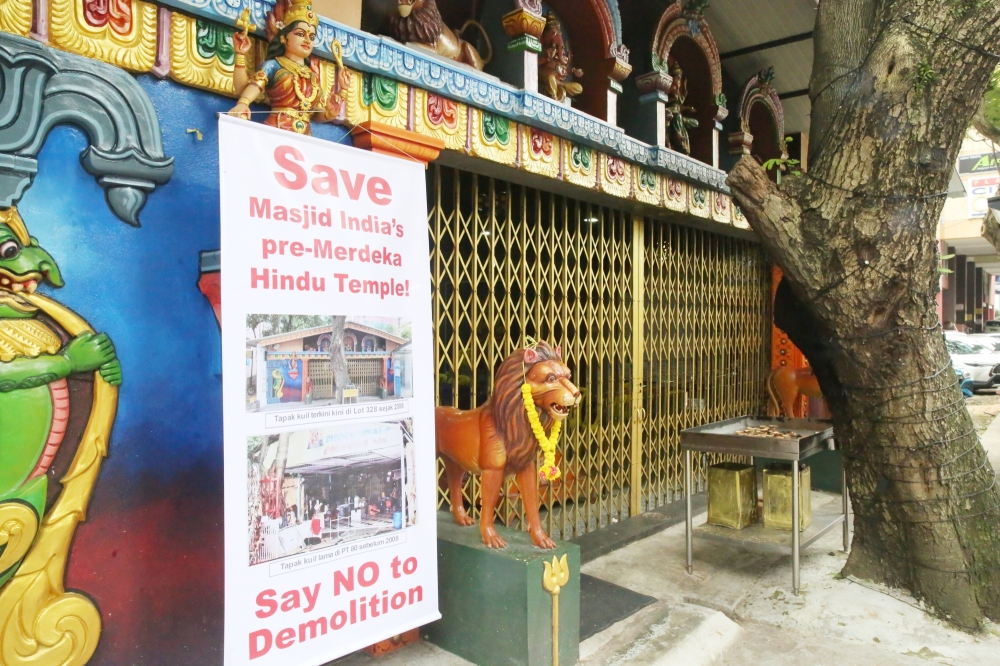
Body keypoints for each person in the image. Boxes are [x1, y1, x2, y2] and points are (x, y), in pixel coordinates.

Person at [228, 0, 349, 135]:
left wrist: (330, 112)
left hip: (305, 137)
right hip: (277, 129)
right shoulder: (275, 65)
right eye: (300, 34)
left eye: (312, 36)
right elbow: (253, 87)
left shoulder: (312, 76)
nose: (307, 40)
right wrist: (244, 103)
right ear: (284, 38)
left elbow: (314, 114)